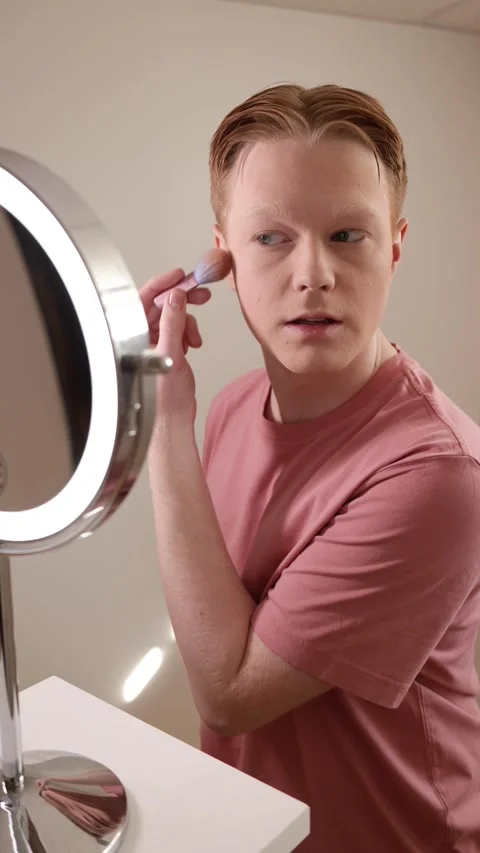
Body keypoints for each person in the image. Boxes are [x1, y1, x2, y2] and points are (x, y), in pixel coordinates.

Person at [140, 84, 480, 852]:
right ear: (218, 256)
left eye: (348, 235)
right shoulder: (229, 407)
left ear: (394, 246)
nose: (314, 273)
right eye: (271, 239)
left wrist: (163, 424)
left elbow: (228, 694)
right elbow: (211, 612)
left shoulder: (439, 475)